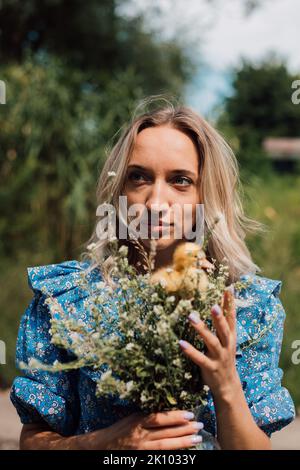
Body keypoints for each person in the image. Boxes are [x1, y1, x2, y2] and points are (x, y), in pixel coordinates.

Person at [10, 98, 295, 450]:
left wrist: (225, 386)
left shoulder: (247, 307)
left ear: (208, 194)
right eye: (139, 177)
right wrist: (105, 443)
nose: (155, 202)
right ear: (119, 190)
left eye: (180, 180)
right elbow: (33, 441)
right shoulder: (67, 299)